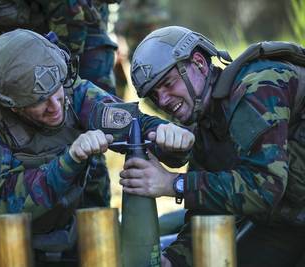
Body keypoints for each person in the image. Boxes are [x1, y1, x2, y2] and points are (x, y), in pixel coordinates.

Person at [0, 28, 194, 267]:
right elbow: (8, 205)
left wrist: (167, 138)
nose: (56, 107)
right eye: (40, 102)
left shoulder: (72, 91)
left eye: (57, 93)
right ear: (10, 104)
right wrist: (71, 158)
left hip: (67, 224)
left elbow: (132, 124)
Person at [120, 25, 305, 266]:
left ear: (199, 63)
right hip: (288, 220)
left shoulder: (257, 86)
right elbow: (207, 213)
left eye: (167, 83)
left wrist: (172, 183)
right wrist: (171, 260)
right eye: (154, 95)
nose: (163, 100)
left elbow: (263, 189)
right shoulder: (207, 125)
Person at [0, 0, 119, 95]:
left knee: (85, 102)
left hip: (79, 26)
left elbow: (70, 14)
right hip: (21, 29)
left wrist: (63, 67)